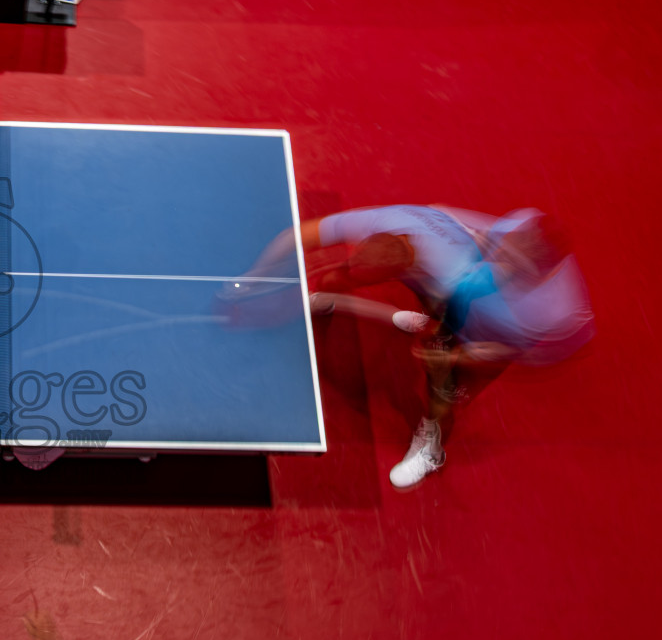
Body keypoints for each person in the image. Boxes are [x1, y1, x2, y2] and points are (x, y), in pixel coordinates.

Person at [220, 205, 593, 488]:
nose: (502, 254)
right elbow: (297, 234)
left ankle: (431, 449)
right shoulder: (400, 221)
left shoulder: (545, 312)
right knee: (341, 278)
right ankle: (362, 304)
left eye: (513, 259)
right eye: (504, 246)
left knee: (443, 392)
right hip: (452, 285)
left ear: (535, 271)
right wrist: (251, 280)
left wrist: (456, 354)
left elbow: (514, 352)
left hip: (494, 334)